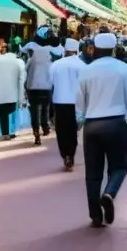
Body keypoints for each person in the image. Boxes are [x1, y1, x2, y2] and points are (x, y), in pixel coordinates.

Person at [76, 32, 127, 227]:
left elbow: (79, 102)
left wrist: (80, 120)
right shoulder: (123, 68)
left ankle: (95, 215)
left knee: (93, 173)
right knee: (119, 167)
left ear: (94, 48)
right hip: (115, 123)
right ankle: (109, 193)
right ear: (113, 48)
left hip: (92, 125)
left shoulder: (86, 70)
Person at [50, 38, 84, 170]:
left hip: (59, 102)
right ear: (77, 50)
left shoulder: (56, 65)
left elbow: (50, 83)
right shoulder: (82, 65)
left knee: (61, 130)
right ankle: (71, 154)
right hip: (76, 103)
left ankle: (65, 155)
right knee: (72, 131)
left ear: (65, 50)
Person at [0, 40, 26, 141]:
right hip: (13, 95)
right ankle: (10, 133)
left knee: (0, 115)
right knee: (11, 115)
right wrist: (21, 98)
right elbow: (22, 80)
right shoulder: (19, 62)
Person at [25, 33, 53, 145]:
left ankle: (36, 133)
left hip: (33, 89)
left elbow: (25, 71)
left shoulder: (32, 60)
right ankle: (45, 128)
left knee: (34, 111)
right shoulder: (49, 61)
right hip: (46, 89)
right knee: (45, 110)